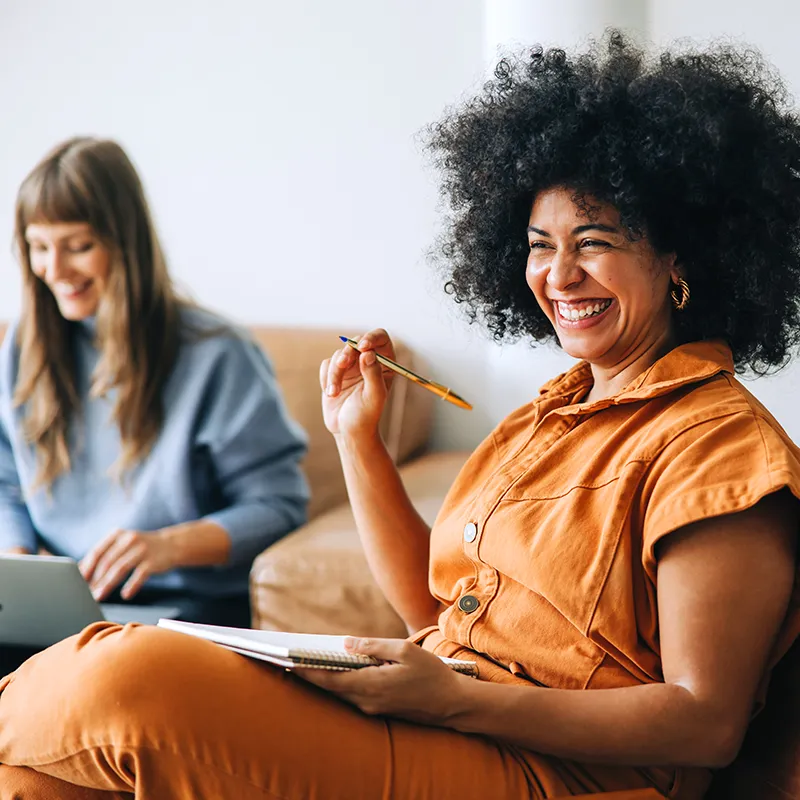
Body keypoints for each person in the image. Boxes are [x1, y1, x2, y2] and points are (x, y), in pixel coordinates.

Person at [2, 32, 800, 799]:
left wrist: (455, 702)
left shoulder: (721, 446)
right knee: (40, 777)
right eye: (537, 244)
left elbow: (705, 724)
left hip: (555, 769)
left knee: (122, 677)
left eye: (592, 241)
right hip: (453, 720)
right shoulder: (547, 417)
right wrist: (358, 437)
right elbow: (431, 609)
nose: (558, 275)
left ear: (681, 258)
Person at [0, 137, 309, 647]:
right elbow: (6, 483)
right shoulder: (20, 350)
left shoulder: (216, 353)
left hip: (177, 611)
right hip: (58, 610)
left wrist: (169, 545)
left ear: (125, 243)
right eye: (38, 247)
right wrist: (17, 560)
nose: (54, 271)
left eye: (78, 246)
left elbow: (278, 506)